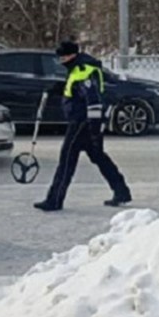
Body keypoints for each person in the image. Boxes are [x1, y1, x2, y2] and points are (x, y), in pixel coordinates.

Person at [34, 41, 132, 211]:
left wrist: (93, 129)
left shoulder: (83, 71)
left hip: (82, 123)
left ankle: (54, 200)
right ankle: (121, 191)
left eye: (63, 57)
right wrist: (60, 88)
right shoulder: (78, 68)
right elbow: (76, 93)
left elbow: (92, 101)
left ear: (72, 55)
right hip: (86, 122)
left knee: (66, 161)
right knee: (99, 157)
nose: (61, 61)